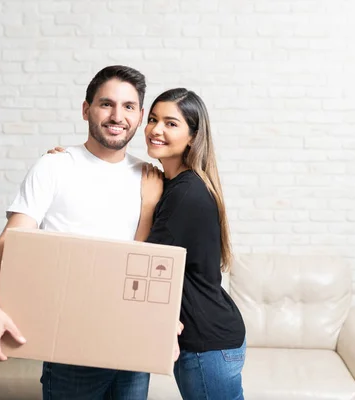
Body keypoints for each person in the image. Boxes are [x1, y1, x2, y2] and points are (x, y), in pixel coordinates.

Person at [0, 65, 178, 400]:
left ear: (139, 117)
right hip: (70, 346)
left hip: (130, 341)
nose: (116, 116)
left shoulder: (151, 176)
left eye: (128, 107)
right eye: (106, 104)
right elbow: (13, 238)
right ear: (86, 109)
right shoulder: (55, 166)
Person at [49, 88, 247, 400]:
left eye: (171, 123)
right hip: (206, 338)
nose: (156, 129)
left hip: (207, 342)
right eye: (153, 119)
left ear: (193, 137)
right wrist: (70, 161)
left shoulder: (184, 194)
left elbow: (142, 265)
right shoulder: (171, 183)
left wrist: (147, 207)